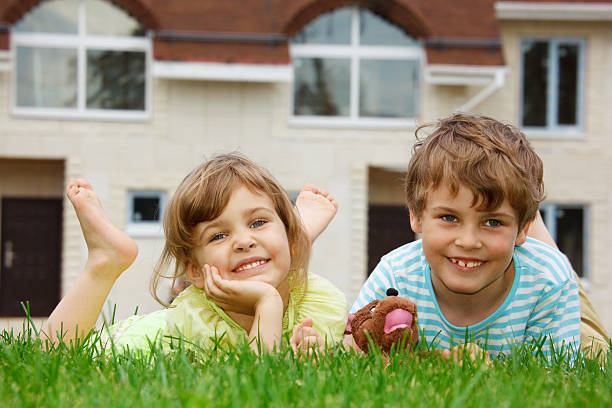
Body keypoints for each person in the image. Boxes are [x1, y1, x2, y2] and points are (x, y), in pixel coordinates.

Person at [41, 153, 347, 353]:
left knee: (277, 255)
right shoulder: (194, 327)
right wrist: (267, 302)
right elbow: (258, 383)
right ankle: (103, 262)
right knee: (51, 354)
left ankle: (296, 231)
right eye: (218, 235)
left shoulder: (315, 304)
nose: (243, 241)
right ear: (196, 271)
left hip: (289, 250)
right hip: (144, 342)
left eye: (258, 222)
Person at [350, 113, 582, 360]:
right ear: (416, 216)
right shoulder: (395, 275)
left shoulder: (549, 281)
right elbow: (354, 350)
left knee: (594, 343)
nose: (468, 241)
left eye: (493, 221)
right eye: (449, 218)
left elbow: (556, 379)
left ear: (522, 229)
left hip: (539, 268)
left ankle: (532, 223)